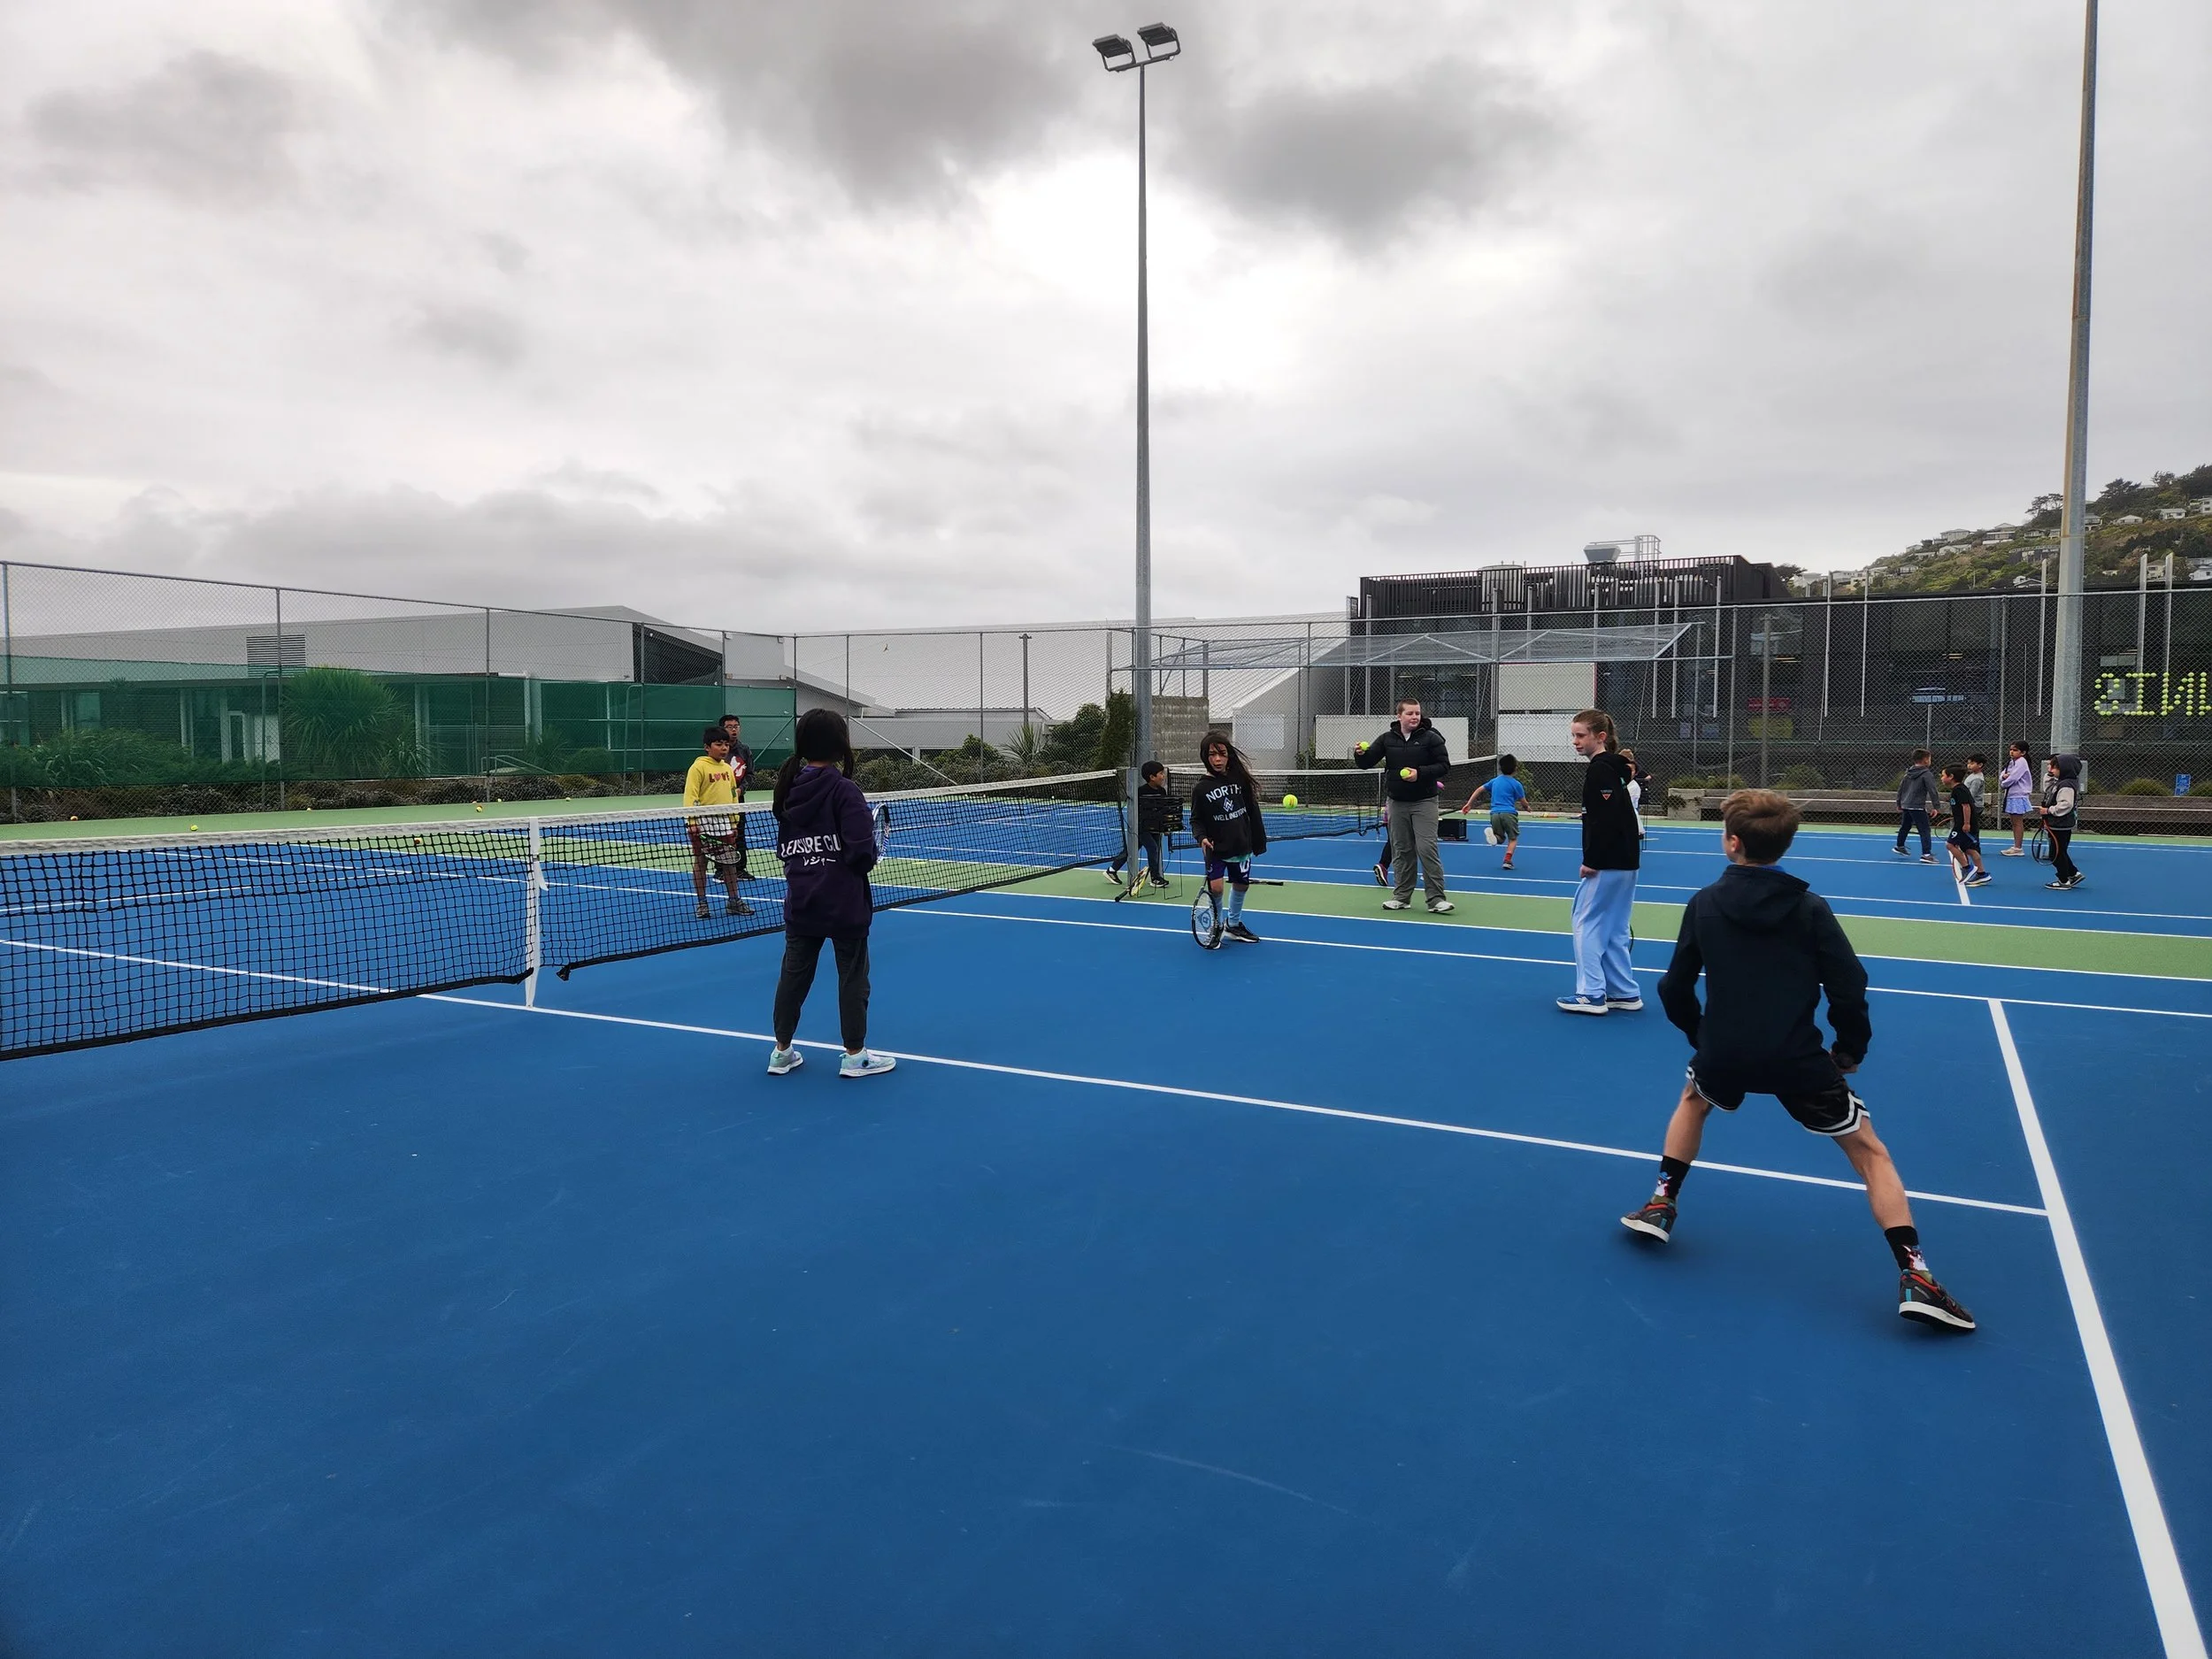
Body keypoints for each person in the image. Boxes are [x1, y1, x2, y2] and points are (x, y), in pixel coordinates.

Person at [1620, 788, 1975, 1332]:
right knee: (1870, 1154)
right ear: (1784, 845)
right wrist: (1849, 1050)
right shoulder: (1810, 909)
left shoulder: (1704, 903)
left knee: (1694, 1100)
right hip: (1798, 1058)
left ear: (1731, 843)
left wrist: (1704, 1037)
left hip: (1726, 1052)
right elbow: (1849, 986)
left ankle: (1661, 1203)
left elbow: (1674, 987)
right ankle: (1916, 1274)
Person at [765, 709, 895, 1079]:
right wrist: (866, 853)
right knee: (853, 977)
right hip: (844, 904)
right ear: (840, 745)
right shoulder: (845, 791)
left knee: (793, 976)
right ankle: (855, 1056)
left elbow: (786, 847)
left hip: (802, 901)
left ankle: (781, 1051)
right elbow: (860, 854)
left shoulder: (787, 788)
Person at [1557, 708, 1641, 1015]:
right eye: (1574, 736)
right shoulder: (1617, 768)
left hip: (1609, 862)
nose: (1575, 742)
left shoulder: (1600, 769)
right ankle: (1624, 991)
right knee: (1615, 928)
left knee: (1586, 921)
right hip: (1627, 860)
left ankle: (1591, 993)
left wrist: (1592, 859)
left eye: (1581, 736)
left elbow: (1604, 819)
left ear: (1600, 737)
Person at [1355, 697, 1454, 914]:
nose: (1415, 717)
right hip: (1397, 803)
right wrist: (1360, 754)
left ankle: (1436, 899)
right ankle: (1401, 897)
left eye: (1417, 713)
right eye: (1410, 714)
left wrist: (1420, 774)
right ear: (1399, 716)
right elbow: (1366, 763)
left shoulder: (1431, 738)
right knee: (1402, 850)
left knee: (1427, 848)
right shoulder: (1386, 739)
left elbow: (1444, 766)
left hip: (1425, 801)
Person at [1190, 731, 1267, 944]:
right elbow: (1196, 820)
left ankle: (1233, 925)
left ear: (1228, 755)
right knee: (1216, 888)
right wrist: (1201, 838)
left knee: (1242, 885)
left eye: (1221, 754)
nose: (1217, 759)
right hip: (1216, 848)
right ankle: (1217, 925)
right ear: (1205, 757)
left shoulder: (1238, 779)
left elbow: (1252, 810)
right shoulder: (1201, 788)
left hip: (1241, 845)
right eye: (1212, 755)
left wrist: (1258, 840)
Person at [682, 726, 752, 918]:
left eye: (726, 745)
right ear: (707, 747)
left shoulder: (728, 769)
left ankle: (733, 901)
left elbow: (732, 797)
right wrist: (693, 822)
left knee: (729, 864)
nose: (724, 748)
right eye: (719, 744)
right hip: (702, 824)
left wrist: (734, 821)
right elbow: (691, 796)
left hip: (725, 824)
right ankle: (702, 904)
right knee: (701, 862)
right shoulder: (698, 768)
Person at [1108, 760, 1174, 890]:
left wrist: (1165, 827)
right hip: (1141, 827)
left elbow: (1163, 810)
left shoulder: (1162, 792)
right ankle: (1155, 878)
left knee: (1132, 850)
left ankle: (1112, 869)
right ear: (1152, 777)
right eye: (1161, 773)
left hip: (1155, 827)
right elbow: (1135, 811)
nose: (1163, 776)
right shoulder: (1140, 792)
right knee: (1153, 849)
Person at [1458, 754, 1527, 871]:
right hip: (1509, 814)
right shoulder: (1516, 784)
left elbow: (1479, 789)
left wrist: (1469, 804)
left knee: (1499, 839)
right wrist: (1527, 808)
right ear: (1516, 768)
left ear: (1500, 768)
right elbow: (1523, 802)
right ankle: (1507, 860)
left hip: (1494, 814)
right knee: (1513, 838)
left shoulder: (1494, 781)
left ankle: (1494, 836)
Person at [718, 713, 759, 878]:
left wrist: (740, 790)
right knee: (721, 835)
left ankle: (740, 869)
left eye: (736, 727)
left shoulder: (745, 750)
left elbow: (750, 774)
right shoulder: (718, 750)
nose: (734, 730)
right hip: (719, 801)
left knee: (739, 834)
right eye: (730, 727)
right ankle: (721, 870)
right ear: (722, 729)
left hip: (738, 800)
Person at [2040, 753, 2086, 890]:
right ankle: (2073, 873)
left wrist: (2048, 811)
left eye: (2054, 767)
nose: (2051, 770)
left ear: (2064, 769)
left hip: (2060, 824)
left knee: (2056, 853)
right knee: (2061, 851)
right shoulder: (2061, 782)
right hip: (2059, 823)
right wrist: (2049, 775)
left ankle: (2063, 880)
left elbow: (2066, 805)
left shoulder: (2066, 785)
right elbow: (2048, 789)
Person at [1942, 763, 1990, 887]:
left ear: (1951, 776)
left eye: (1943, 775)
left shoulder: (1959, 789)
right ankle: (1982, 873)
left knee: (1950, 844)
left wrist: (1966, 823)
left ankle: (1967, 868)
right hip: (1963, 823)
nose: (1941, 778)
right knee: (1969, 849)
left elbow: (1966, 806)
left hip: (1964, 825)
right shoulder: (1957, 790)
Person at [1893, 748, 1939, 864]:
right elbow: (1933, 790)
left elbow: (1901, 789)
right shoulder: (1927, 774)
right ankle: (1926, 854)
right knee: (1925, 830)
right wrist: (1936, 806)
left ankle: (1900, 846)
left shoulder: (1908, 773)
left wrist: (1899, 803)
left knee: (1905, 826)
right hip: (1917, 806)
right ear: (1925, 760)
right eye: (1929, 758)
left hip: (1906, 804)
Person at [1999, 741, 2036, 856]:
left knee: (2017, 823)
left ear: (2023, 752)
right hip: (2011, 795)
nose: (2011, 752)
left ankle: (2018, 848)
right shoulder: (2012, 762)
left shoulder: (2021, 762)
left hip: (2018, 795)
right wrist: (2003, 777)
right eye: (2011, 749)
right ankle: (2016, 846)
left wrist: (2003, 784)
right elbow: (2003, 773)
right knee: (2014, 822)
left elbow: (2013, 778)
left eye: (2015, 750)